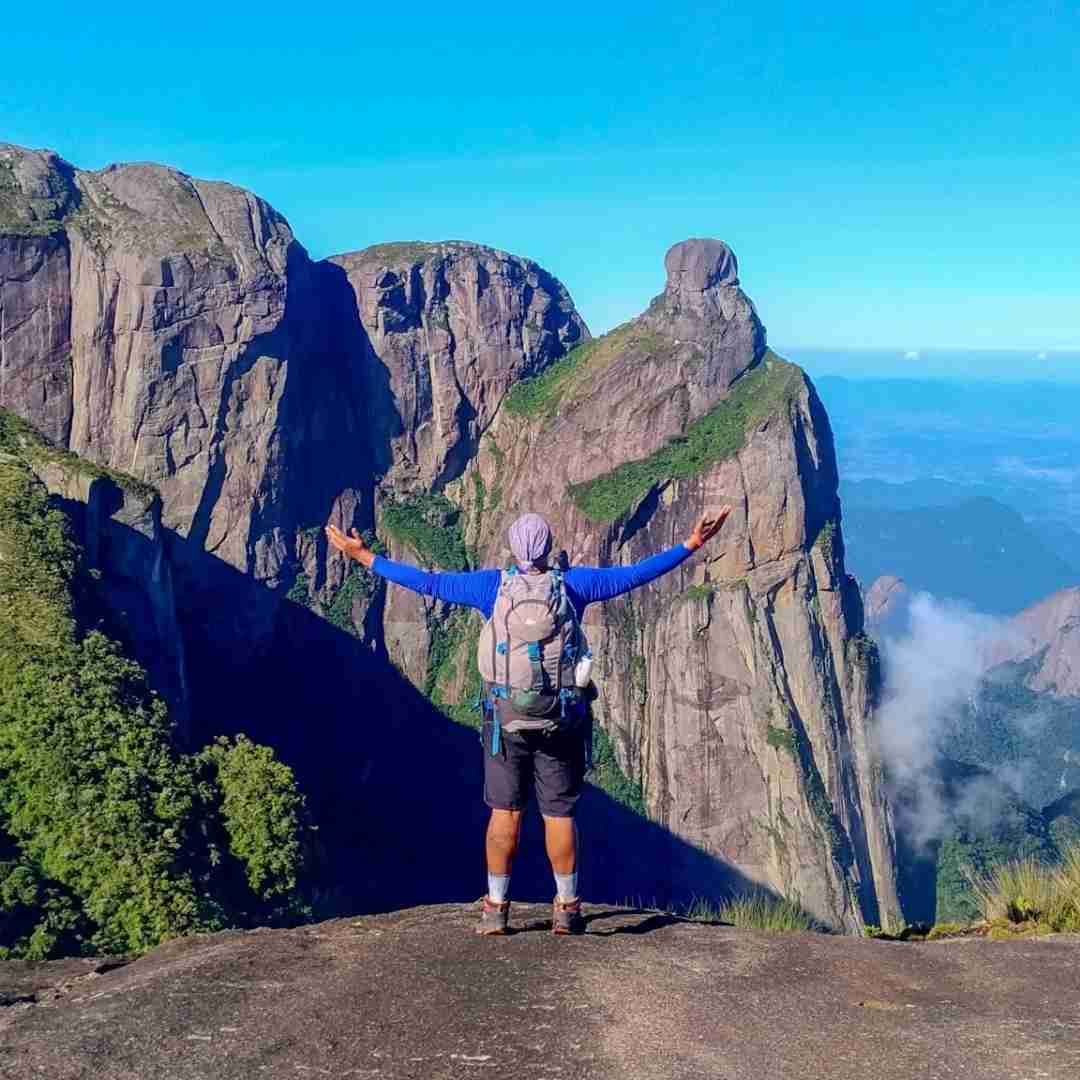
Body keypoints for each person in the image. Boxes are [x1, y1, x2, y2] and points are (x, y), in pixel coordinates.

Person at [325, 506, 731, 936]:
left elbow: (427, 582)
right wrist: (693, 542)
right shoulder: (574, 586)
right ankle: (568, 909)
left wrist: (364, 557)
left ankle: (496, 908)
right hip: (559, 721)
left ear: (512, 550)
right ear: (550, 547)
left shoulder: (491, 588)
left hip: (506, 722)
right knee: (558, 816)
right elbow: (635, 574)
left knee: (505, 814)